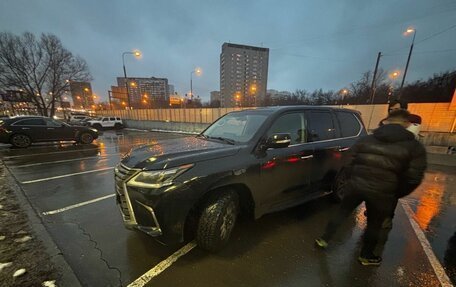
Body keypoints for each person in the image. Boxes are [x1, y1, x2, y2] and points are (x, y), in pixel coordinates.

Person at [315, 109, 427, 266]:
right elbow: (414, 176)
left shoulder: (367, 140)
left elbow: (348, 161)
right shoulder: (414, 147)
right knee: (374, 225)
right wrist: (397, 192)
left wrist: (352, 179)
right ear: (406, 123)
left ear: (386, 120)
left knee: (342, 212)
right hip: (383, 193)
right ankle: (366, 256)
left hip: (356, 186)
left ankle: (324, 239)